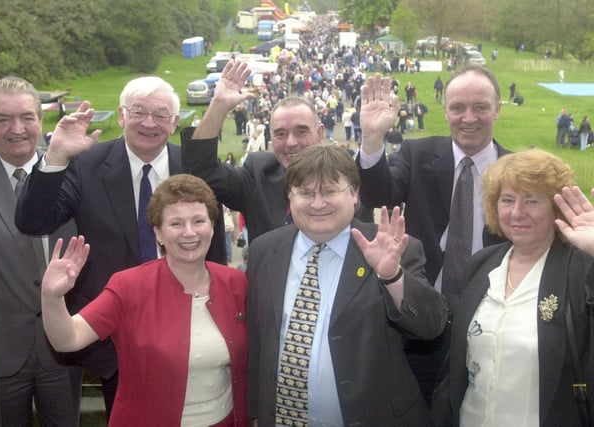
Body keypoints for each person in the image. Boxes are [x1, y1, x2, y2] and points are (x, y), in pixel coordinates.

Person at [15, 76, 227, 417]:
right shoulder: (86, 164)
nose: (148, 122)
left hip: (197, 330)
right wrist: (55, 155)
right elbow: (33, 221)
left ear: (175, 122)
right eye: (138, 111)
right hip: (116, 343)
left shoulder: (195, 167)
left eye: (161, 114)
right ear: (120, 115)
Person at [246, 145, 447, 426]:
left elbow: (431, 326)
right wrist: (256, 411)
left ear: (354, 194)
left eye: (329, 191)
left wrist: (392, 276)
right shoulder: (264, 250)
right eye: (305, 193)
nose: (318, 203)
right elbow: (258, 338)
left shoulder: (391, 249)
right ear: (290, 197)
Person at [356, 65, 511, 404]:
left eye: (480, 107)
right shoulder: (418, 153)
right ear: (445, 110)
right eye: (458, 108)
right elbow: (378, 195)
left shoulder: (514, 171)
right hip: (423, 321)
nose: (468, 118)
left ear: (498, 108)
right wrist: (371, 139)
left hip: (493, 324)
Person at [41, 175, 248, 426]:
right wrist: (52, 297)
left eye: (198, 221)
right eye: (176, 223)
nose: (189, 232)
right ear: (158, 233)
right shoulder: (129, 286)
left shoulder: (236, 283)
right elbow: (67, 339)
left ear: (213, 226)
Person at [432, 149, 594, 426]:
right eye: (507, 200)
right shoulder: (483, 264)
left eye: (532, 200)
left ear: (556, 207)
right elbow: (457, 363)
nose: (517, 212)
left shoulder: (582, 270)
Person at [0, 76, 82, 426]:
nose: (18, 129)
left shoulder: (72, 173)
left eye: (27, 117)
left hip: (63, 347)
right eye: (3, 119)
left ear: (42, 122)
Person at [181, 60, 390, 244]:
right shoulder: (258, 174)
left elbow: (378, 193)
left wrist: (372, 138)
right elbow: (201, 171)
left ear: (319, 133)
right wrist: (218, 105)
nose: (291, 143)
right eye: (280, 134)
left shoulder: (345, 177)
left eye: (301, 131)